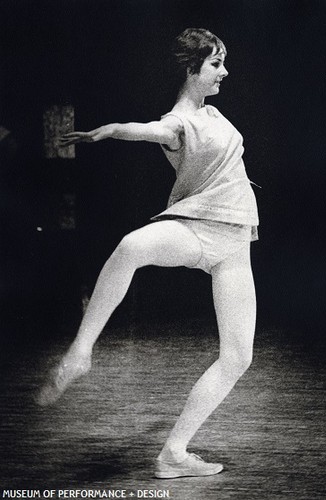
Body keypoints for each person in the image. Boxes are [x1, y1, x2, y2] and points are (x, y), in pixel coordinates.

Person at [37, 28, 259, 479]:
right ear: (190, 69)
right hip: (197, 231)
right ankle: (81, 352)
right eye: (216, 63)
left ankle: (173, 453)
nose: (225, 71)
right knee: (131, 246)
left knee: (238, 357)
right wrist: (113, 131)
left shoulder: (213, 114)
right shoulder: (179, 122)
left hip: (234, 245)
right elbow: (151, 130)